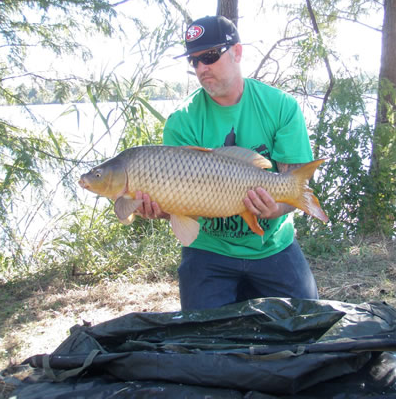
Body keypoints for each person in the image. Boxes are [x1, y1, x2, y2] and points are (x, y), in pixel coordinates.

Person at [135, 15, 319, 310]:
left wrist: (276, 208)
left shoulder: (281, 106)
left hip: (271, 246)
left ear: (237, 52)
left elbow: (295, 181)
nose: (202, 68)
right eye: (194, 61)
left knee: (308, 324)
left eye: (209, 56)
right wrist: (158, 210)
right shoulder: (181, 121)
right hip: (208, 250)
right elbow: (180, 209)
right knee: (204, 341)